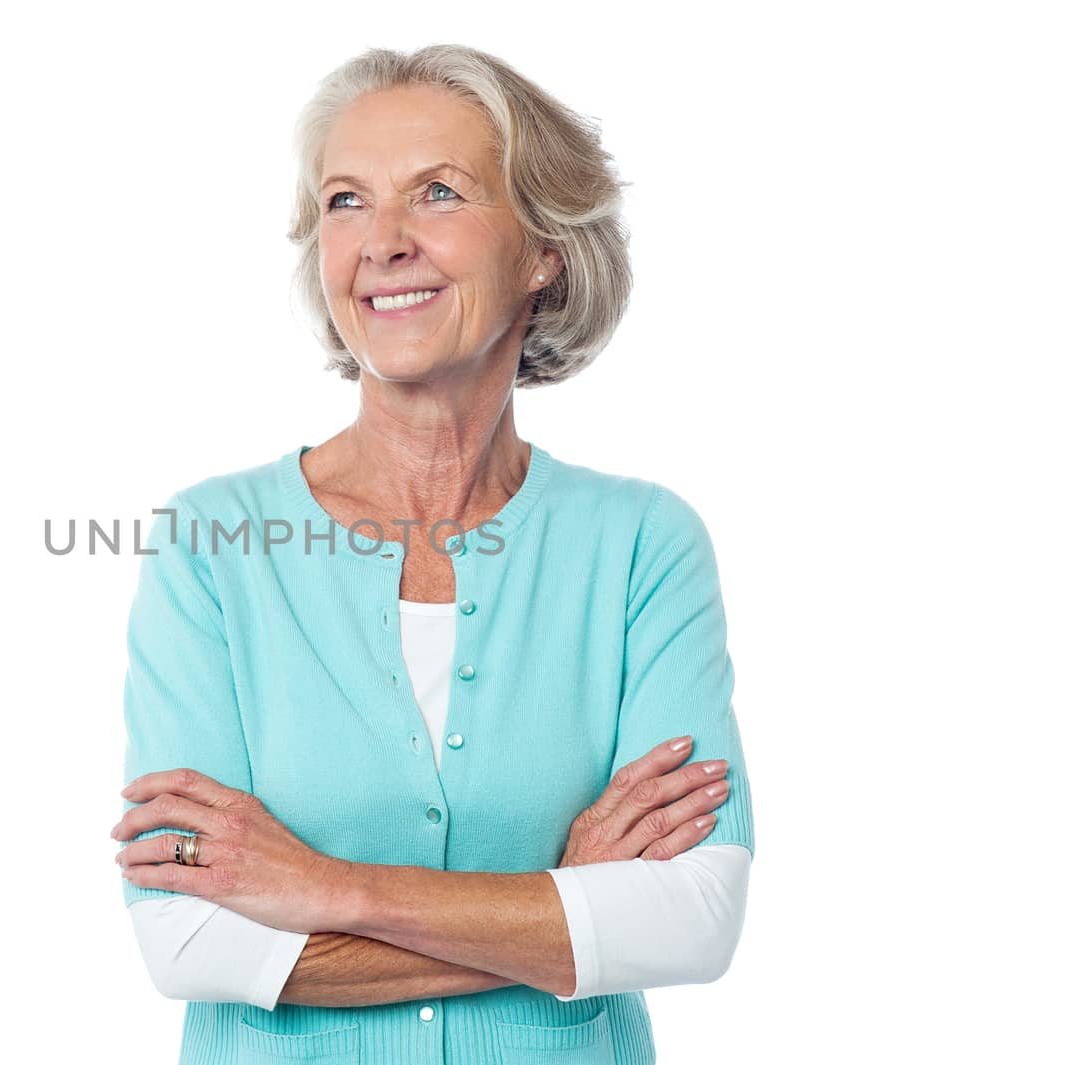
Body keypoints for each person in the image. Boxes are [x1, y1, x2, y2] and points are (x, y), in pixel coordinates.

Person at [111, 44, 754, 1065]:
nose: (383, 242)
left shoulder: (639, 545)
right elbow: (182, 931)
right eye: (345, 201)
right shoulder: (211, 544)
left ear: (541, 248)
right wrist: (569, 906)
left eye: (439, 193)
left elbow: (690, 916)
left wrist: (331, 892)